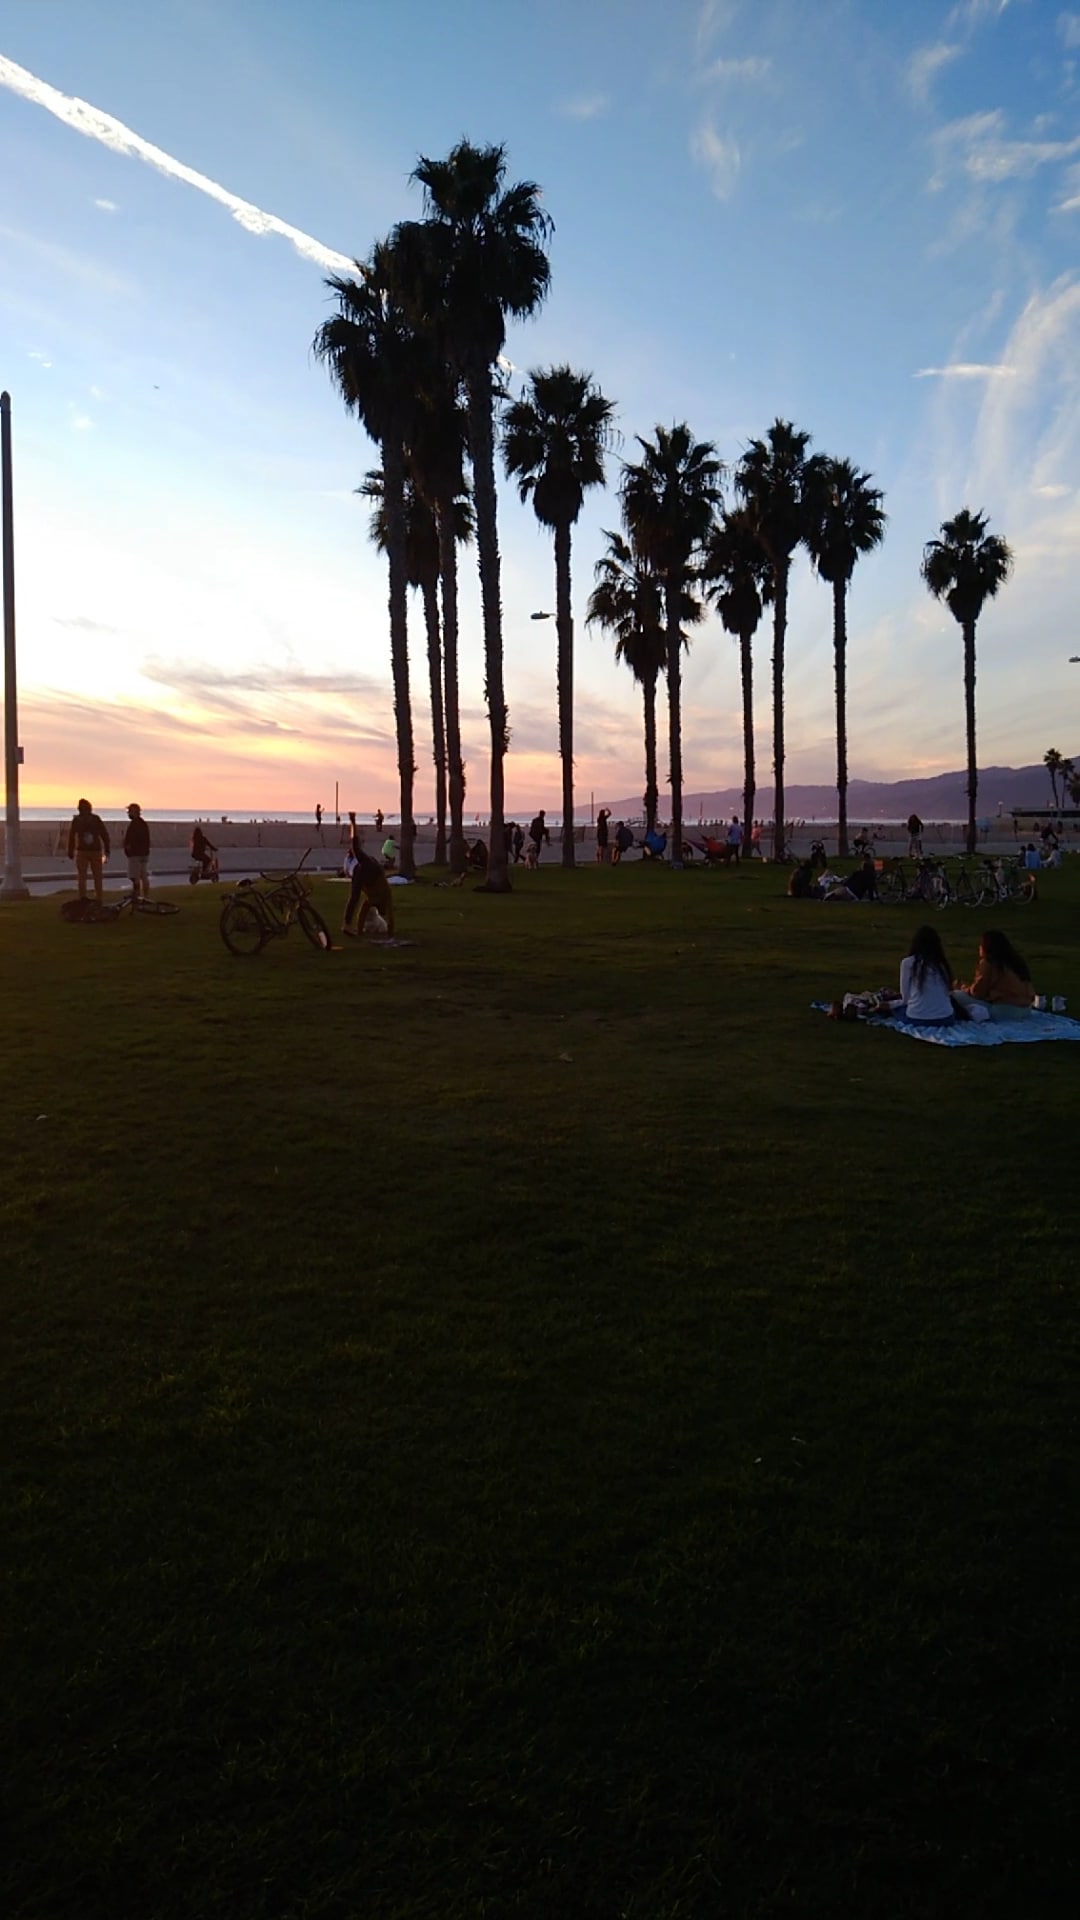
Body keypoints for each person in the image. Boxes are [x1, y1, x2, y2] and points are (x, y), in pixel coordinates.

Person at [954, 930, 1035, 1021]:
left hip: (1004, 1010)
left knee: (955, 995)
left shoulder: (989, 962)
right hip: (1026, 1009)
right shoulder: (1016, 962)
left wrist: (963, 988)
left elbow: (978, 993)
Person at [342, 813, 395, 937]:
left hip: (362, 875)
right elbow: (390, 916)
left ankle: (346, 924)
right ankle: (353, 822)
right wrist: (390, 933)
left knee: (354, 897)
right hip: (372, 871)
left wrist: (359, 932)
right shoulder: (385, 896)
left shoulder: (372, 901)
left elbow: (362, 914)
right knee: (357, 850)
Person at [899, 925, 956, 1025]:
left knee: (897, 1011)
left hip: (917, 1018)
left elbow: (905, 998)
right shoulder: (941, 964)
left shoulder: (908, 963)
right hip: (946, 1018)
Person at [67, 798, 111, 903]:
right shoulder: (96, 819)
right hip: (95, 850)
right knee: (98, 876)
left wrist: (70, 850)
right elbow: (104, 835)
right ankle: (98, 898)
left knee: (82, 876)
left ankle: (82, 897)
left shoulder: (77, 820)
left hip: (82, 851)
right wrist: (107, 849)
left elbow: (72, 836)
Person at [123, 802, 151, 900]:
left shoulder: (135, 824)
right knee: (143, 875)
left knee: (135, 876)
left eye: (130, 811)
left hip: (135, 854)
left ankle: (136, 894)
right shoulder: (143, 824)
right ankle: (145, 895)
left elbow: (132, 839)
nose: (128, 813)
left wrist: (129, 849)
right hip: (143, 854)